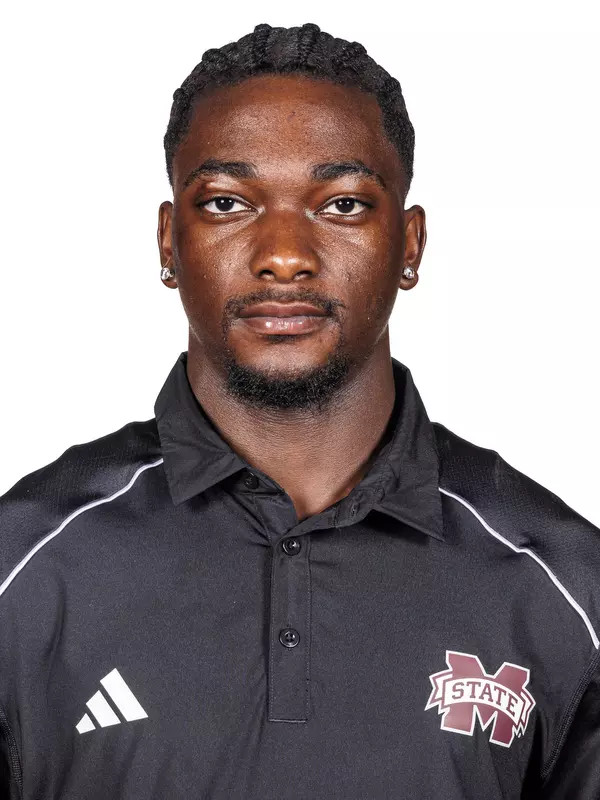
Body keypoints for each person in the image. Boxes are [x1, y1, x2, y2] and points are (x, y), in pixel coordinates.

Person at [0, 21, 598, 800]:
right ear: (168, 242)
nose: (284, 253)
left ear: (410, 244)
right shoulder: (27, 571)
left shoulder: (561, 586)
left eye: (342, 203)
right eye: (227, 202)